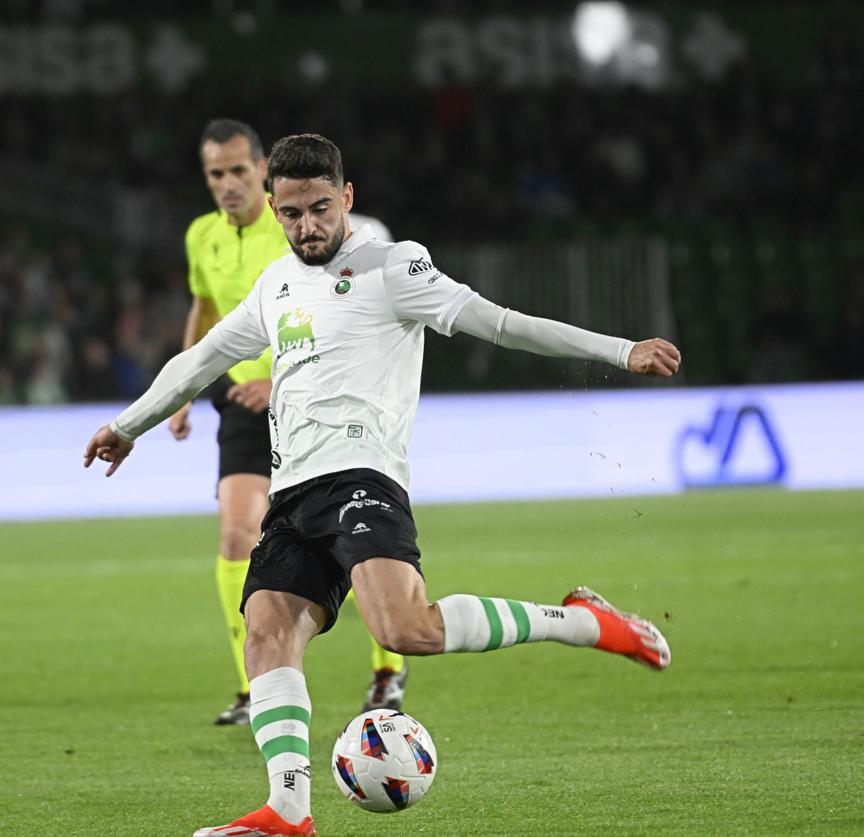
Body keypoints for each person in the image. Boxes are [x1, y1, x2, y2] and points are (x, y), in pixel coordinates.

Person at [85, 133, 680, 837]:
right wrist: (129, 425)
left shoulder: (395, 266)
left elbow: (504, 325)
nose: (307, 226)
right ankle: (288, 810)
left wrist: (620, 351)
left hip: (364, 478)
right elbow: (203, 357)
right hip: (294, 493)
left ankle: (587, 621)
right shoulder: (275, 284)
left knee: (405, 628)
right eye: (291, 213)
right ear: (274, 210)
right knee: (267, 634)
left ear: (347, 199)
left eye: (319, 209)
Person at [173, 118, 406, 727]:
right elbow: (205, 308)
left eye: (236, 171)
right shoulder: (202, 236)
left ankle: (388, 670)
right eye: (214, 174)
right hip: (241, 407)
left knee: (351, 542)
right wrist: (182, 391)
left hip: (316, 402)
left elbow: (341, 317)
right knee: (233, 537)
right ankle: (253, 687)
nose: (226, 184)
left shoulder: (301, 232)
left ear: (260, 173)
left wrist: (278, 378)